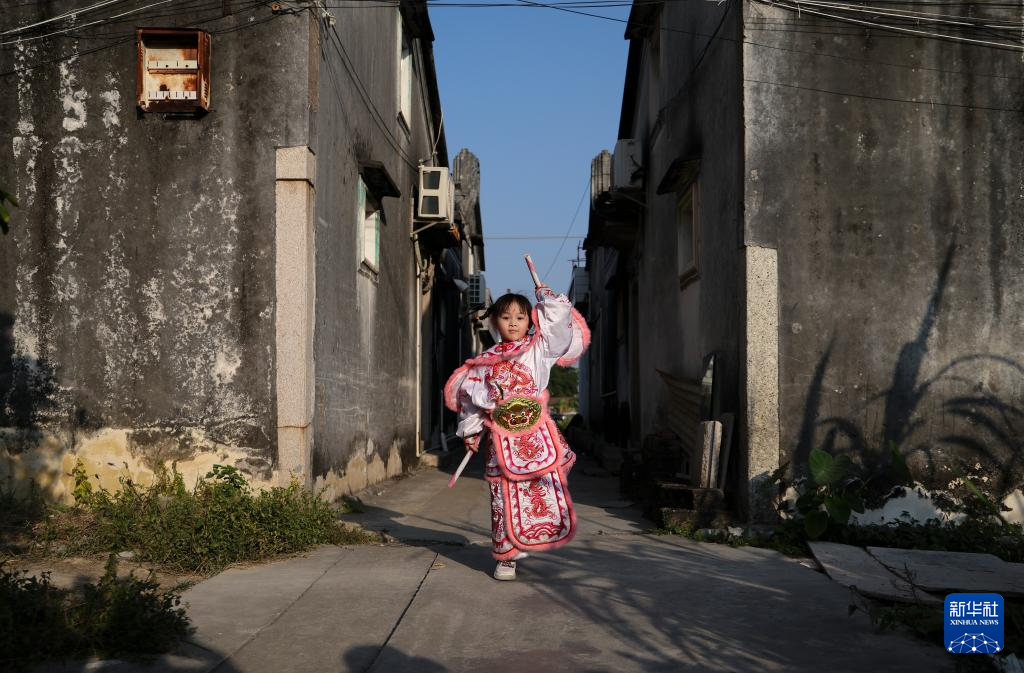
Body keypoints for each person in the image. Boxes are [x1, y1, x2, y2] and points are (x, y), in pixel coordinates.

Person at [444, 284, 590, 580]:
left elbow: (558, 331)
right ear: (494, 320)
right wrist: (471, 433)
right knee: (501, 496)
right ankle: (507, 556)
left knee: (541, 490)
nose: (513, 322)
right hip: (500, 438)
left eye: (521, 317)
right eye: (507, 316)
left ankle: (534, 535)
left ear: (531, 320)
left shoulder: (539, 348)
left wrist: (550, 303)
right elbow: (473, 400)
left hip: (536, 434)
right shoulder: (484, 361)